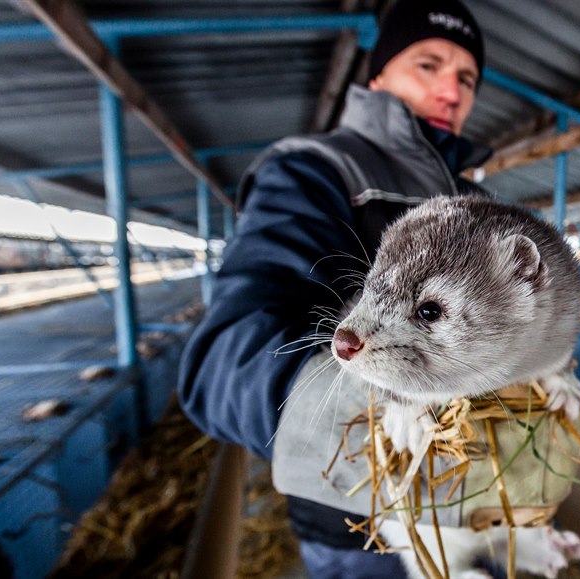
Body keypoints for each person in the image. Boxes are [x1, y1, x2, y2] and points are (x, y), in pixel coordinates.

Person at [177, 0, 488, 577]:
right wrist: (374, 420)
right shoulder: (318, 173)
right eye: (428, 64)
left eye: (467, 78)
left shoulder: (480, 211)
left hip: (476, 512)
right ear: (377, 77)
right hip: (360, 528)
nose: (451, 90)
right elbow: (222, 365)